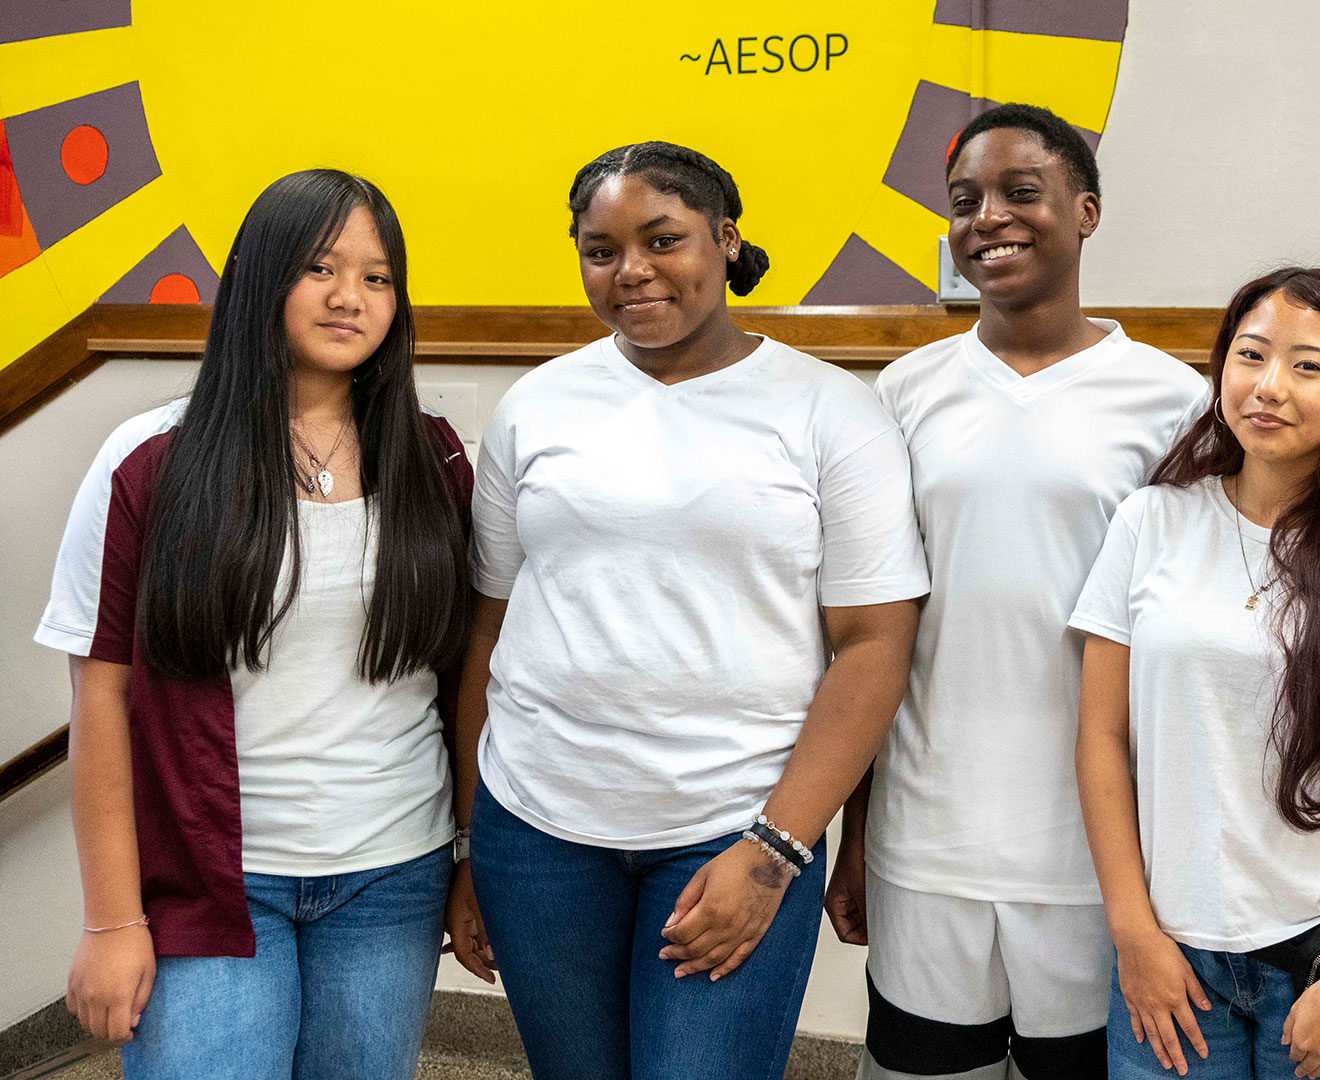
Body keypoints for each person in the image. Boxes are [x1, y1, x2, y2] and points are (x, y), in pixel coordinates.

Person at [442, 142, 927, 1080]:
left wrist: (777, 848)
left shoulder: (830, 412)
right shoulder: (536, 406)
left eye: (663, 239)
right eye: (601, 249)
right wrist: (471, 840)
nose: (632, 272)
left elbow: (873, 649)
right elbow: (490, 629)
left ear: (726, 238)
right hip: (537, 834)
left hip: (732, 829)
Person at [41, 169, 474, 1080]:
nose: (350, 297)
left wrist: (471, 856)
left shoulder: (434, 459)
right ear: (259, 278)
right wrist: (112, 920)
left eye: (379, 276)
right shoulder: (152, 461)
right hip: (209, 880)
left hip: (393, 873)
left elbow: (465, 679)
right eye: (320, 267)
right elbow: (102, 697)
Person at [828, 103, 1209, 1080]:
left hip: (1096, 857)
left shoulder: (1173, 401)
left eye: (1019, 193)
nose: (987, 217)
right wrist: (858, 833)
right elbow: (877, 632)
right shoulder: (905, 392)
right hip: (930, 840)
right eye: (964, 202)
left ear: (1085, 211)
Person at [1071, 266, 1320, 1080]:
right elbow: (1102, 740)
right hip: (1173, 964)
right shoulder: (1152, 523)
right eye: (1250, 356)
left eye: (1308, 366)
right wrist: (1133, 933)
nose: (1269, 386)